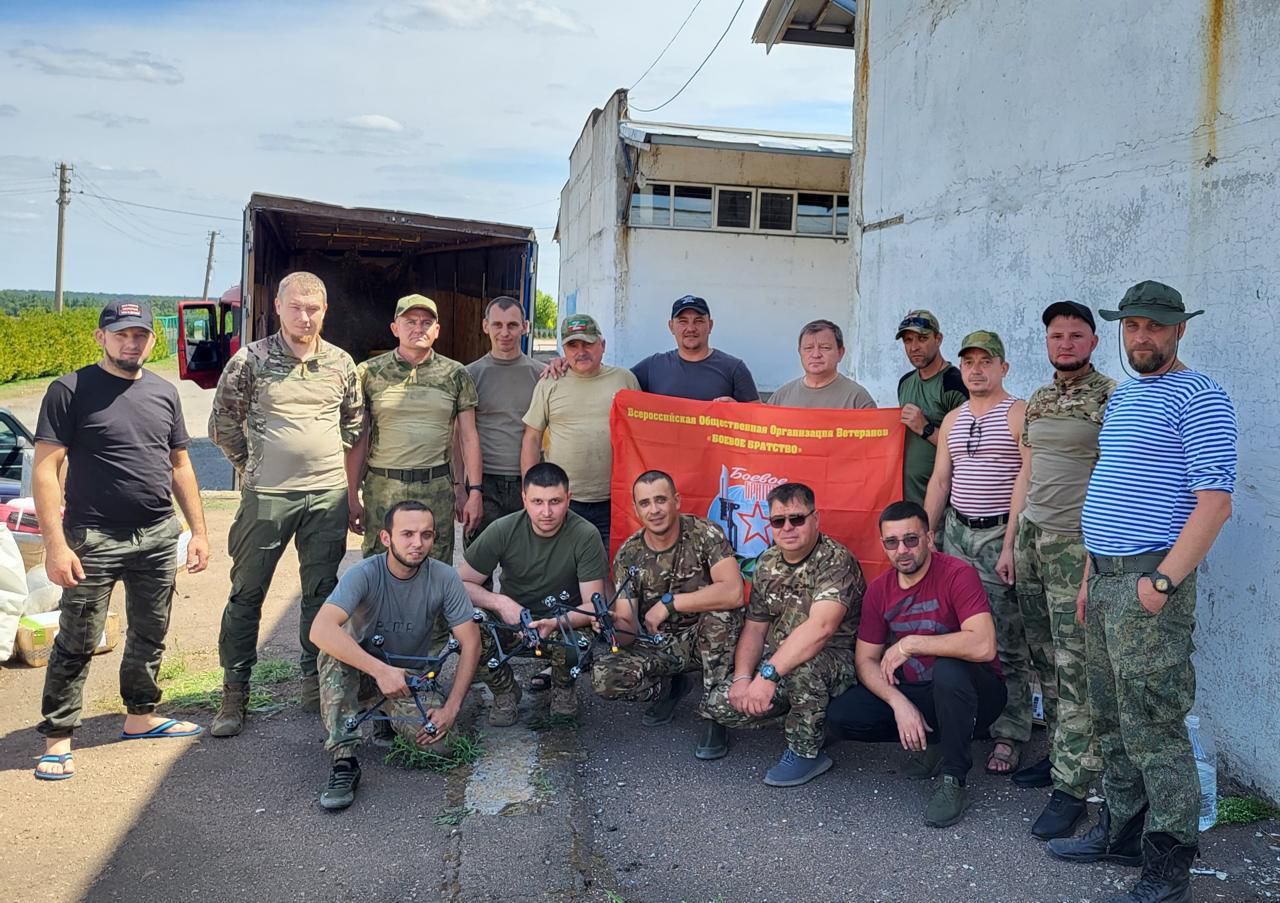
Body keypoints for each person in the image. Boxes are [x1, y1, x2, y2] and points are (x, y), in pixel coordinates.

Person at [1048, 281, 1236, 902]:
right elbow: (1111, 486)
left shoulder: (1201, 396)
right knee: (1109, 718)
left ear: (1180, 329)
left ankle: (1170, 856)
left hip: (1149, 582)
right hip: (1103, 578)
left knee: (1154, 724)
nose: (1142, 337)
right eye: (1132, 325)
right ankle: (1122, 830)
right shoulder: (1127, 397)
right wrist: (1087, 578)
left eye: (1155, 326)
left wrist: (1162, 581)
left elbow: (1214, 502)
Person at [31, 299, 210, 780]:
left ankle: (140, 716)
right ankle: (58, 737)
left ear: (152, 339)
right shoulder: (69, 391)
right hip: (94, 538)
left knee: (150, 631)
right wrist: (55, 545)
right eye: (121, 333)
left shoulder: (164, 393)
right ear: (101, 337)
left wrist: (198, 531)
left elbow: (180, 466)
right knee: (78, 638)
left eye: (140, 335)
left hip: (156, 533)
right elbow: (46, 469)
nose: (131, 342)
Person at [208, 271, 363, 736]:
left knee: (320, 593)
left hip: (326, 497)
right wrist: (255, 465)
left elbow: (353, 424)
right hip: (267, 498)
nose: (304, 316)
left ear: (325, 310)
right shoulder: (249, 361)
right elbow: (222, 426)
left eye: (313, 308)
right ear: (277, 307)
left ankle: (314, 683)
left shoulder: (340, 363)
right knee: (247, 593)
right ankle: (235, 692)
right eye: (295, 306)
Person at [1004, 301, 1116, 840]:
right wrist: (1011, 540)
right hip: (1031, 538)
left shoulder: (1112, 397)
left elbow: (1117, 479)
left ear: (1093, 342)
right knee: (1042, 656)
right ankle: (1055, 757)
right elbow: (1027, 472)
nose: (1065, 344)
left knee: (1075, 666)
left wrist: (1097, 559)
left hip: (1077, 544)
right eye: (1056, 336)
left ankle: (1073, 787)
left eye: (1075, 335)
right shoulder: (1041, 399)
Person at [825, 501, 1005, 827]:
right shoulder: (880, 589)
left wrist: (911, 644)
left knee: (948, 669)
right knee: (842, 714)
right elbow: (865, 659)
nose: (902, 550)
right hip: (921, 691)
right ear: (883, 546)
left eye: (911, 539)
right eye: (892, 543)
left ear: (929, 538)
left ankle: (954, 777)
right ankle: (936, 741)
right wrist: (899, 703)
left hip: (979, 695)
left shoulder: (957, 574)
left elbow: (983, 644)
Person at [309, 500, 482, 810]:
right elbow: (320, 630)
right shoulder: (362, 573)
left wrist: (452, 708)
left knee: (441, 746)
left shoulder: (444, 577)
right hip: (361, 671)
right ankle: (344, 759)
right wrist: (379, 671)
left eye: (426, 535)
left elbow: (470, 642)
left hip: (407, 678)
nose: (418, 543)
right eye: (407, 534)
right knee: (332, 655)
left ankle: (388, 715)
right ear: (386, 538)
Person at [702, 483, 864, 787]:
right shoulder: (767, 562)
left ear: (816, 518)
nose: (787, 527)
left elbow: (821, 629)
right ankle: (808, 716)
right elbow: (755, 625)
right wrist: (742, 679)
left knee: (805, 668)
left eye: (797, 519)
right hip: (778, 660)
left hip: (834, 659)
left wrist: (766, 677)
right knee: (720, 705)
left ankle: (806, 751)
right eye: (779, 521)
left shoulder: (835, 560)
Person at [923, 330, 1034, 778]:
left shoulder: (1019, 413)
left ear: (1003, 367)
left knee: (1006, 639)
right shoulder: (955, 418)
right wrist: (928, 531)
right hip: (956, 535)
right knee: (956, 633)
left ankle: (1010, 732)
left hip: (997, 536)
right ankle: (965, 720)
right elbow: (939, 481)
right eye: (969, 362)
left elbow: (1026, 483)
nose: (976, 369)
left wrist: (1011, 545)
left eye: (986, 361)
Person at [591, 471, 745, 759]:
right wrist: (610, 625)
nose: (654, 510)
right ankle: (670, 687)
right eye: (645, 503)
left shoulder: (705, 533)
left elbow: (733, 592)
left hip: (705, 638)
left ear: (676, 501)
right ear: (636, 509)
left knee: (721, 618)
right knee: (604, 676)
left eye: (661, 500)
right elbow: (626, 631)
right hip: (659, 643)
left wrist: (671, 603)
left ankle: (716, 715)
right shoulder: (629, 554)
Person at [458, 463, 608, 719]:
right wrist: (500, 603)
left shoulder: (585, 535)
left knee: (578, 641)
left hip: (561, 625)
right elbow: (458, 585)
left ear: (569, 499)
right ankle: (505, 691)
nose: (546, 512)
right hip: (512, 624)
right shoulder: (503, 529)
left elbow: (594, 605)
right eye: (537, 501)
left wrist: (555, 622)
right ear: (524, 499)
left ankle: (563, 689)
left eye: (555, 501)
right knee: (464, 624)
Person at [348, 293, 483, 563]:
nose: (418, 328)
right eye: (410, 321)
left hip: (435, 487)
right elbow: (359, 437)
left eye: (425, 322)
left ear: (436, 330)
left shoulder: (455, 374)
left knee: (434, 567)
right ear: (395, 328)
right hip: (384, 487)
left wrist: (471, 490)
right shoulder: (369, 373)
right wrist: (351, 494)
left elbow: (468, 437)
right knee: (380, 566)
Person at [520, 314, 639, 550]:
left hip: (614, 500)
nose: (580, 351)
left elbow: (642, 436)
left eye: (588, 343)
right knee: (562, 571)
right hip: (563, 500)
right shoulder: (550, 382)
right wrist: (530, 490)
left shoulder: (624, 380)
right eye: (572, 345)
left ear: (602, 345)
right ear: (563, 349)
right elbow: (531, 439)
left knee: (610, 570)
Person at [460, 296, 546, 547]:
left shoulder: (543, 374)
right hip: (483, 484)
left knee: (526, 567)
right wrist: (461, 488)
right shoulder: (469, 375)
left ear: (525, 327)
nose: (504, 332)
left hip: (528, 482)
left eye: (512, 325)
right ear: (485, 326)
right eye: (497, 325)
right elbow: (460, 436)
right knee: (478, 565)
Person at [895, 310, 968, 504]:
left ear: (938, 338)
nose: (914, 347)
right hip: (909, 500)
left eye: (922, 338)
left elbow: (968, 450)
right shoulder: (905, 382)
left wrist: (925, 428)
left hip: (944, 504)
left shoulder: (955, 383)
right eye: (908, 340)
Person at [630, 295, 759, 402]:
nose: (691, 328)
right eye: (683, 321)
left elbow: (759, 419)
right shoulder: (652, 367)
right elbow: (617, 394)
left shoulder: (734, 369)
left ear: (710, 325)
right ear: (671, 326)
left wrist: (737, 411)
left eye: (698, 321)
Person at [767, 319, 875, 409]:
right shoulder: (781, 397)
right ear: (800, 352)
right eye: (808, 348)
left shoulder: (857, 399)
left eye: (825, 348)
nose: (816, 354)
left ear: (840, 353)